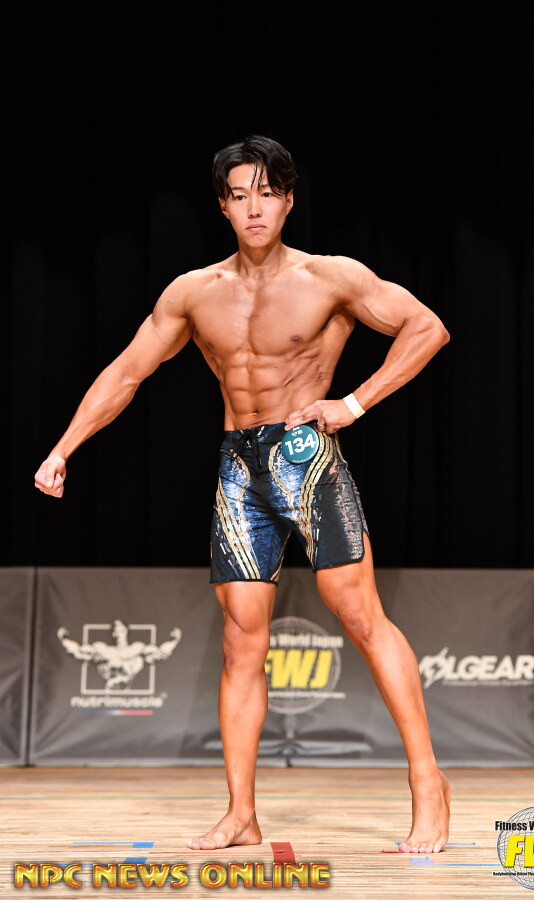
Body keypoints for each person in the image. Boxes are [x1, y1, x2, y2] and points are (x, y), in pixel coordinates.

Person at [35, 134, 451, 854]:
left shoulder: (331, 277)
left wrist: (353, 403)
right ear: (223, 207)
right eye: (239, 195)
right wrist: (63, 448)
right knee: (239, 641)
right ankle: (241, 814)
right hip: (239, 471)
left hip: (306, 457)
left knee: (359, 614)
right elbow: (127, 372)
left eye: (267, 192)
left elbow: (427, 328)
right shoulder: (194, 293)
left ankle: (428, 784)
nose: (254, 207)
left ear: (287, 201)